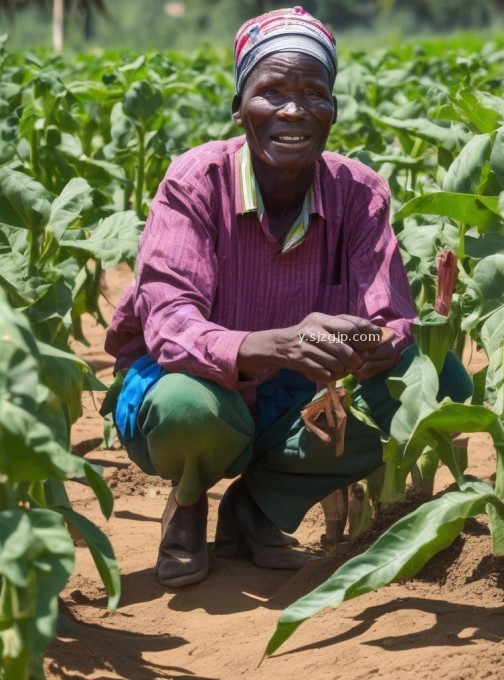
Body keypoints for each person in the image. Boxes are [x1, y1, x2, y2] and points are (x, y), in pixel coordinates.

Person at [102, 6, 472, 588]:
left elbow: (392, 317)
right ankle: (190, 500)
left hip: (294, 394)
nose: (294, 109)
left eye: (313, 93)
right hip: (192, 384)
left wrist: (372, 343)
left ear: (333, 109)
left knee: (438, 384)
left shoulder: (358, 192)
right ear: (239, 104)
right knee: (188, 411)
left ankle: (258, 510)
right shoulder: (196, 181)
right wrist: (273, 344)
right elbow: (170, 324)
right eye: (272, 91)